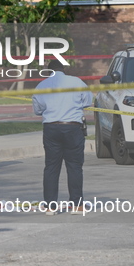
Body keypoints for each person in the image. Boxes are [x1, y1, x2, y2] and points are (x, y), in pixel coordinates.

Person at [32, 59, 93, 215]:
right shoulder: (77, 81)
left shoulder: (41, 86)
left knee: (51, 167)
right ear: (64, 69)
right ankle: (77, 205)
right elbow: (87, 102)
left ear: (48, 70)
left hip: (51, 128)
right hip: (72, 127)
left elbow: (37, 110)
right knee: (74, 166)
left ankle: (50, 206)